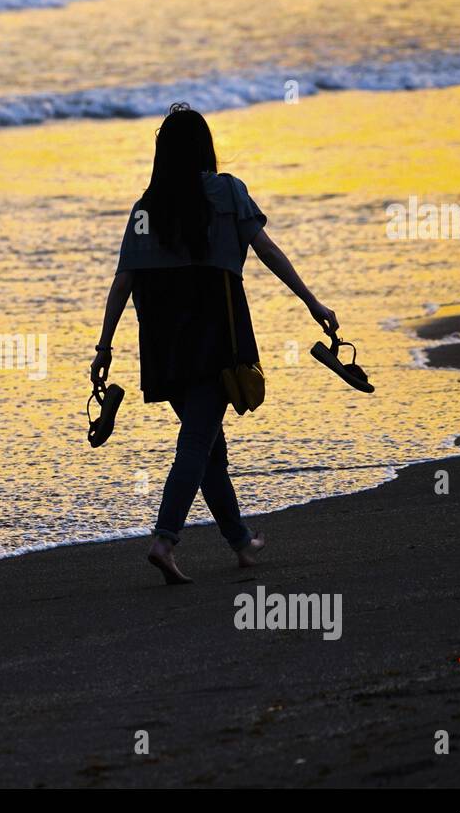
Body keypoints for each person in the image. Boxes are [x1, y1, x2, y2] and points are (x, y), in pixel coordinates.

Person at [91, 103, 339, 585]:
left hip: (162, 341)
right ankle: (165, 540)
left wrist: (105, 347)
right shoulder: (227, 191)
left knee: (208, 446)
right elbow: (266, 250)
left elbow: (124, 280)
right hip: (213, 333)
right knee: (198, 441)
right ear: (205, 148)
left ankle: (241, 541)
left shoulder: (147, 207)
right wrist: (312, 303)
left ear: (161, 154)